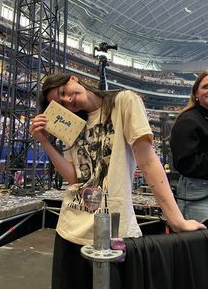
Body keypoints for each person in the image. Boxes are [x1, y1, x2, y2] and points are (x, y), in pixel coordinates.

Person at [30, 72, 206, 289]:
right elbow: (75, 178)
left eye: (64, 92)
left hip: (114, 232)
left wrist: (176, 221)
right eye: (61, 103)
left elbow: (148, 162)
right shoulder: (73, 123)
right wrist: (45, 143)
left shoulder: (124, 101)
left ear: (73, 79)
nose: (68, 101)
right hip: (70, 229)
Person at [170, 70, 208, 222]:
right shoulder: (188, 120)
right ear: (196, 94)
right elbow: (186, 163)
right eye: (205, 86)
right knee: (201, 243)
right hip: (198, 192)